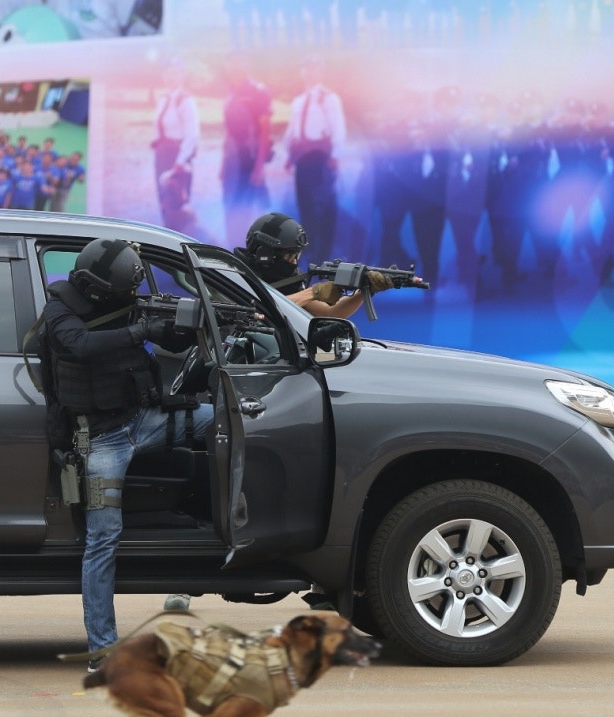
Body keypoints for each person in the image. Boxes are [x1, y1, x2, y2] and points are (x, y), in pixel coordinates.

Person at [39, 238, 213, 669]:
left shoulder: (127, 303)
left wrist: (186, 323)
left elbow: (171, 342)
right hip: (99, 441)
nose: (131, 298)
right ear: (101, 288)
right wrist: (142, 330)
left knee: (231, 418)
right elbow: (79, 344)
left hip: (144, 420)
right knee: (102, 539)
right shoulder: (59, 310)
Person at [235, 212, 393, 319]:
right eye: (289, 255)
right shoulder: (232, 276)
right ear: (265, 253)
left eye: (298, 255)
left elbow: (332, 313)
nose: (295, 262)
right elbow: (259, 310)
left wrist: (364, 289)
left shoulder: (291, 282)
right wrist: (314, 293)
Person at [279, 56, 346, 265]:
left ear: (321, 72)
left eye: (314, 69)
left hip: (321, 156)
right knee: (305, 203)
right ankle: (310, 247)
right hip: (302, 157)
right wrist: (288, 154)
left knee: (324, 205)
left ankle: (324, 252)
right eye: (306, 69)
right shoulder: (299, 100)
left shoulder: (329, 98)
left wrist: (335, 156)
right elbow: (293, 129)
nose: (309, 73)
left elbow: (338, 128)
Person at [220, 58, 273, 247]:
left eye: (239, 61)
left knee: (247, 209)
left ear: (247, 64)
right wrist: (223, 164)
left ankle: (247, 254)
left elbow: (265, 131)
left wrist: (259, 167)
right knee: (230, 206)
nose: (235, 67)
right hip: (232, 160)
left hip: (249, 159)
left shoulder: (258, 91)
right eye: (231, 63)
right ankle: (232, 249)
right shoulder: (231, 92)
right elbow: (228, 131)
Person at [152, 62, 199, 231]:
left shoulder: (185, 100)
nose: (170, 78)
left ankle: (179, 242)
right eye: (167, 73)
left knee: (176, 200)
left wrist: (180, 161)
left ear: (182, 76)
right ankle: (167, 233)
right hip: (162, 153)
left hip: (177, 154)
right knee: (163, 199)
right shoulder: (163, 98)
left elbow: (192, 134)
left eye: (175, 73)